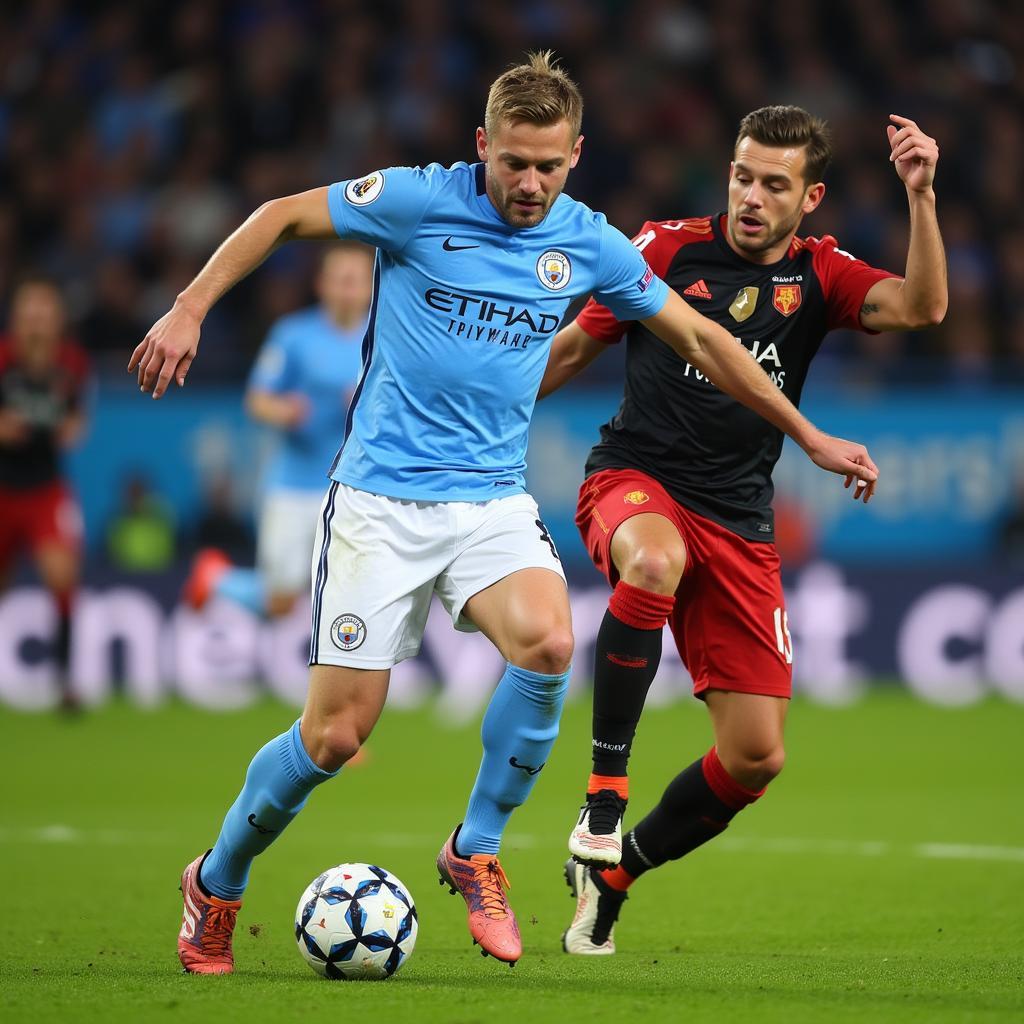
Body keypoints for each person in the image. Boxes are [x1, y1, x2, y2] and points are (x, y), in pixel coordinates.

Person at [129, 58, 877, 974]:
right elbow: (282, 215)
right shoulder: (413, 202)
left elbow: (701, 337)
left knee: (550, 647)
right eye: (513, 163)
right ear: (483, 145)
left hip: (488, 501)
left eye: (549, 167)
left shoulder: (591, 242)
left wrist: (807, 434)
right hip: (380, 501)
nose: (529, 185)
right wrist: (188, 308)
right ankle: (218, 878)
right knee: (334, 735)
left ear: (575, 157)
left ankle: (475, 848)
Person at [538, 106, 946, 955]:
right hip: (635, 481)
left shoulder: (819, 272)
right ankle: (603, 797)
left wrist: (922, 197)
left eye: (774, 184)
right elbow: (575, 348)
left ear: (811, 196)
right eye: (741, 176)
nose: (752, 197)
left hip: (738, 520)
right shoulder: (663, 250)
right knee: (652, 563)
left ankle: (613, 877)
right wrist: (480, 413)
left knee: (756, 758)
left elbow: (920, 309)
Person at [184, 242, 374, 620]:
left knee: (355, 594)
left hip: (358, 489)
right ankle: (216, 577)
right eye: (339, 279)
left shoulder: (386, 337)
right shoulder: (294, 335)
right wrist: (284, 410)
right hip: (294, 484)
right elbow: (257, 399)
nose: (347, 288)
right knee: (280, 602)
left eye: (356, 280)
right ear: (322, 284)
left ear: (372, 285)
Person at [0, 278, 91, 709]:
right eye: (29, 310)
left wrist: (69, 430)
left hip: (45, 488)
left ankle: (64, 679)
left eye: (44, 310)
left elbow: (78, 421)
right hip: (2, 486)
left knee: (62, 578)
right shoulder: (2, 359)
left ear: (57, 319)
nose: (36, 319)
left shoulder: (71, 364)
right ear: (17, 317)